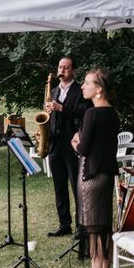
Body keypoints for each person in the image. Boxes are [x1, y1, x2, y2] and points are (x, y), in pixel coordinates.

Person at [71, 68, 119, 268]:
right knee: (104, 225)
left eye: (87, 83)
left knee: (93, 228)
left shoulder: (92, 114)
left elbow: (84, 149)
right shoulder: (112, 113)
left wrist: (75, 144)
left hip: (91, 177)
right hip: (107, 176)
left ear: (98, 89)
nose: (82, 86)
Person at [45, 56, 93, 237]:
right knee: (59, 186)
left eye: (66, 68)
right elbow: (51, 116)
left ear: (73, 70)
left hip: (72, 143)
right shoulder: (54, 90)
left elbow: (83, 114)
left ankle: (82, 226)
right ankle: (64, 224)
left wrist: (61, 108)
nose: (62, 70)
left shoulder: (81, 90)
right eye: (60, 67)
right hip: (55, 143)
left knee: (76, 185)